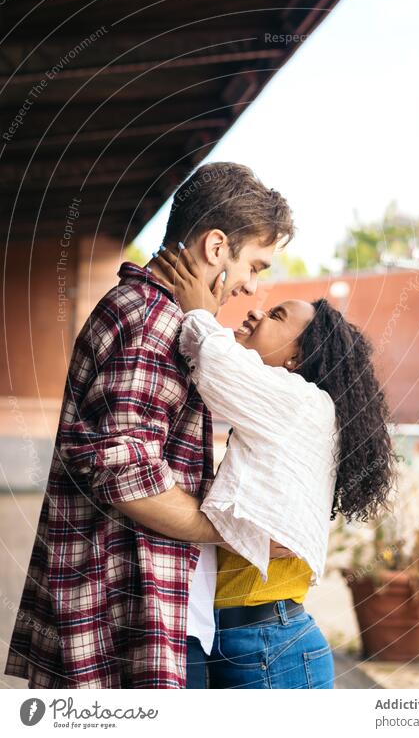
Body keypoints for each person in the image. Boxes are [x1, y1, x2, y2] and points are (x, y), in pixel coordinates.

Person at [4, 162, 294, 689]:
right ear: (214, 247)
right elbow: (126, 476)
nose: (252, 288)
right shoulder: (153, 321)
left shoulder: (156, 314)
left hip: (135, 606)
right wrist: (236, 531)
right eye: (255, 264)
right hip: (131, 613)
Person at [148, 245, 397, 689]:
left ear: (297, 359)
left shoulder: (303, 402)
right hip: (250, 641)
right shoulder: (288, 409)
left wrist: (199, 309)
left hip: (270, 644)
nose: (258, 313)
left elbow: (217, 363)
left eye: (277, 316)